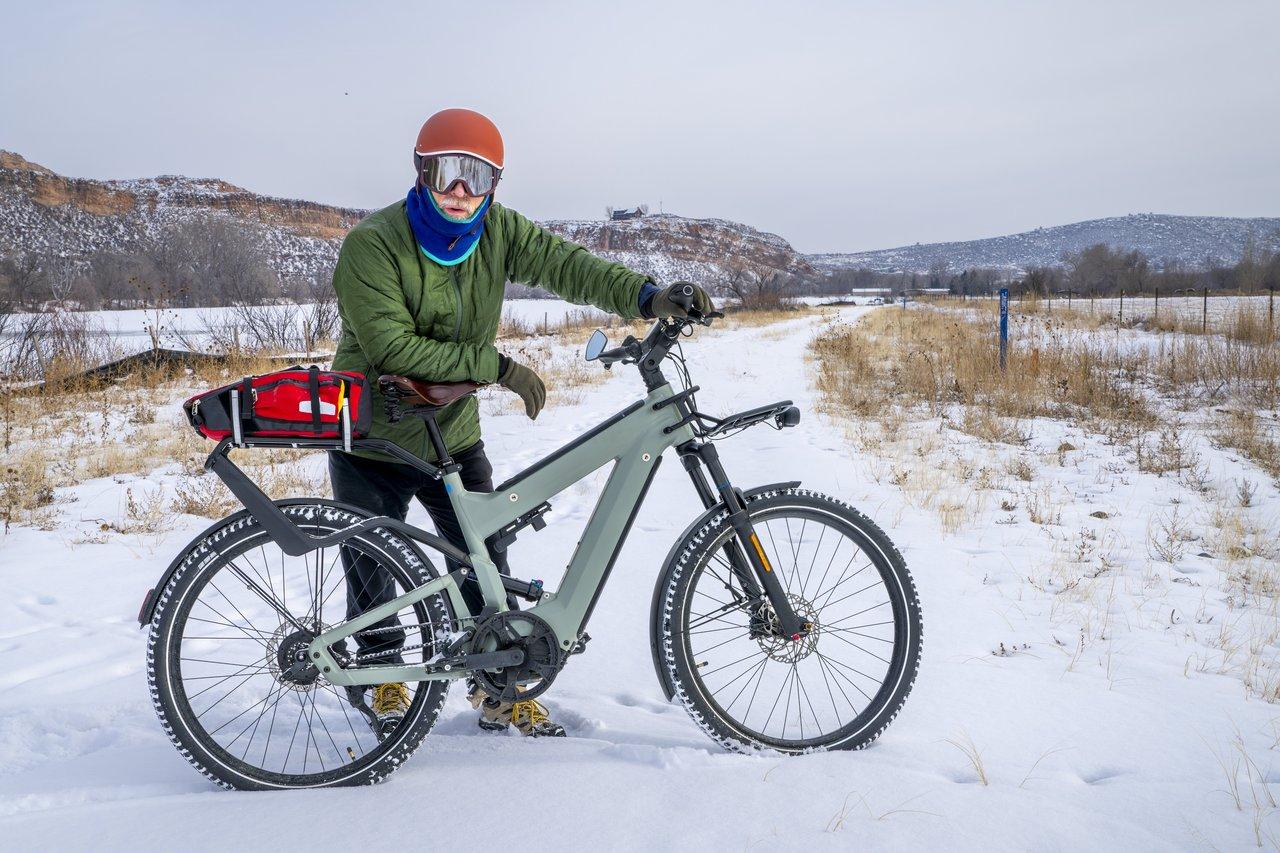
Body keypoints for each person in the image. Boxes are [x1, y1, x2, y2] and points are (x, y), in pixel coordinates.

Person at [328, 108, 713, 738]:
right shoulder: (373, 244)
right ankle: (382, 677)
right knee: (374, 564)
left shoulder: (499, 232)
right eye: (448, 172)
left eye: (476, 176)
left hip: (449, 432)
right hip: (374, 430)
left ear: (494, 184)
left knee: (487, 563)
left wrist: (647, 297)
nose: (461, 191)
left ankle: (497, 685)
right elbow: (390, 346)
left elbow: (570, 266)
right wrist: (496, 364)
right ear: (423, 172)